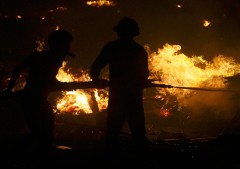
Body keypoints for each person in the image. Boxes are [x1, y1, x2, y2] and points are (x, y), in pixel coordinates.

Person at [4, 29, 74, 157]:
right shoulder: (48, 58)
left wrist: (64, 85)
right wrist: (9, 89)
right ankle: (15, 155)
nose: (68, 47)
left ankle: (26, 155)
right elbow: (46, 79)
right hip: (33, 100)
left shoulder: (48, 57)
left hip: (36, 99)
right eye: (66, 44)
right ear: (58, 44)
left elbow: (48, 79)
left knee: (42, 132)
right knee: (41, 133)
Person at [90, 17, 150, 156]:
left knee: (112, 133)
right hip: (134, 98)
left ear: (119, 32)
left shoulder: (112, 47)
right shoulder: (139, 50)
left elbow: (95, 67)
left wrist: (96, 80)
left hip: (117, 97)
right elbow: (144, 75)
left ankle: (111, 159)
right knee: (138, 134)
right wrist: (141, 82)